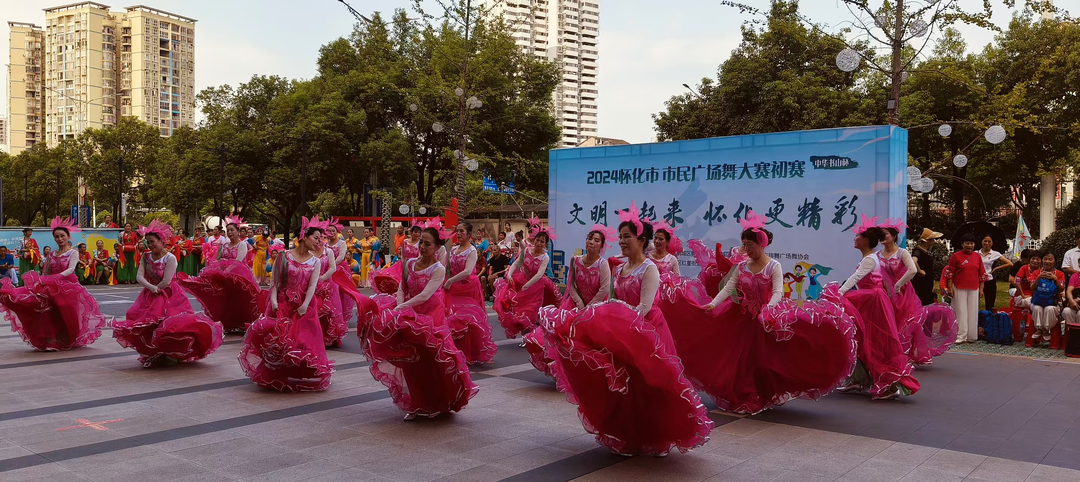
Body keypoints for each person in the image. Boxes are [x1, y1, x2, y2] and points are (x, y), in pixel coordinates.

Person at [540, 202, 712, 455]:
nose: (621, 241)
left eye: (627, 237)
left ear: (641, 240)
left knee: (650, 386)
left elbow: (644, 307)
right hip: (622, 332)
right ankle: (629, 433)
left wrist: (616, 319)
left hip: (647, 332)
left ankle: (656, 436)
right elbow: (610, 300)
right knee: (625, 386)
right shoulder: (619, 268)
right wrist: (595, 318)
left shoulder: (649, 268)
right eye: (620, 237)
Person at [654, 211, 857, 414]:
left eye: (749, 244)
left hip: (765, 319)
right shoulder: (742, 266)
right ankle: (746, 396)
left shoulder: (772, 266)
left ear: (761, 244)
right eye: (744, 244)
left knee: (766, 360)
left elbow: (778, 291)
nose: (746, 249)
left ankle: (761, 394)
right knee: (741, 360)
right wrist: (713, 304)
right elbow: (728, 288)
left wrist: (768, 309)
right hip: (741, 317)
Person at [359, 226, 479, 420]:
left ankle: (438, 400)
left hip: (431, 316)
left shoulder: (438, 269)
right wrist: (400, 308)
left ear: (438, 247)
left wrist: (402, 308)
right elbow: (401, 288)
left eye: (427, 243)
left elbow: (425, 295)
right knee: (410, 361)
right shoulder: (409, 264)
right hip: (408, 315)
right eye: (421, 242)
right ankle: (417, 403)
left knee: (432, 360)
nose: (422, 246)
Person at [113, 221, 224, 367]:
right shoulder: (146, 257)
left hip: (169, 294)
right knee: (145, 321)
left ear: (161, 241)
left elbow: (166, 280)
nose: (150, 245)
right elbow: (139, 276)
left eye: (153, 242)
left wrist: (156, 289)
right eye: (148, 242)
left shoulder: (170, 258)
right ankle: (156, 351)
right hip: (151, 292)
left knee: (170, 325)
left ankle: (171, 353)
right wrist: (151, 289)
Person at [240, 220, 333, 391]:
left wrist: (305, 305)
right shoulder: (284, 256)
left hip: (303, 307)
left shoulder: (315, 262)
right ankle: (276, 372)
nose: (318, 242)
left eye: (320, 239)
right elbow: (276, 282)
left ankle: (296, 371)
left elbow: (312, 286)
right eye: (316, 238)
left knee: (300, 341)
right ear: (304, 237)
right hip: (281, 304)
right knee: (278, 341)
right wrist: (274, 301)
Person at [836, 219, 920, 400]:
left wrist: (839, 292)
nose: (855, 238)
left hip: (872, 302)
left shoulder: (871, 259)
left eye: (858, 236)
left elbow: (855, 278)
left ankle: (885, 383)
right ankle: (860, 378)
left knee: (873, 343)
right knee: (861, 340)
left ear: (865, 240)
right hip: (869, 301)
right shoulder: (873, 257)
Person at [0, 217, 107, 351]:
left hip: (68, 287)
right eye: (56, 237)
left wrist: (56, 278)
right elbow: (46, 271)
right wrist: (42, 282)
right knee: (42, 308)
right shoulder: (51, 254)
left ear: (68, 236)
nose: (60, 239)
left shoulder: (73, 253)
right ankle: (51, 337)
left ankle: (69, 337)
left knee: (65, 309)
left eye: (62, 236)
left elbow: (71, 269)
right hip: (50, 285)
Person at [527, 226, 613, 377]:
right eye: (590, 238)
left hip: (597, 308)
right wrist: (580, 304)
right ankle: (565, 371)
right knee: (564, 337)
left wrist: (589, 307)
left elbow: (604, 289)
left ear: (601, 246)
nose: (591, 242)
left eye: (596, 240)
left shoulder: (602, 264)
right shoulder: (575, 260)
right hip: (574, 305)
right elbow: (571, 284)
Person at [877, 221, 956, 364]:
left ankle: (912, 352)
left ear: (894, 236)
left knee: (907, 322)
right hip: (886, 292)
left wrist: (899, 284)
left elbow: (912, 268)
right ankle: (893, 352)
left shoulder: (902, 252)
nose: (882, 237)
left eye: (885, 234)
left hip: (903, 293)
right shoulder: (878, 255)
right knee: (890, 322)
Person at [176, 216, 261, 333]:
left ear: (237, 231)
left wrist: (225, 271)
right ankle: (228, 324)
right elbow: (218, 260)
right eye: (228, 230)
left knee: (240, 301)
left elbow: (238, 261)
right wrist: (217, 271)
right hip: (225, 278)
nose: (230, 233)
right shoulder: (224, 246)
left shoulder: (242, 245)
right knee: (226, 301)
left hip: (239, 278)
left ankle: (241, 323)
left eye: (232, 230)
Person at [442, 222, 497, 365]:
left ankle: (472, 351)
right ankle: (455, 350)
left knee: (470, 320)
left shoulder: (472, 250)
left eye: (461, 231)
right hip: (453, 288)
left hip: (468, 287)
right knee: (453, 318)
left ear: (469, 234)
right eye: (457, 231)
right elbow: (445, 267)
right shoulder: (453, 249)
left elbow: (467, 271)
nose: (458, 233)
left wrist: (450, 281)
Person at [493, 223, 559, 340]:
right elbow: (517, 263)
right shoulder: (527, 250)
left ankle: (529, 337)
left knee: (530, 313)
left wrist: (528, 285)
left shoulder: (545, 257)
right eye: (537, 240)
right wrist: (509, 274)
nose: (539, 243)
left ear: (545, 244)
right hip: (522, 280)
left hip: (535, 287)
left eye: (542, 242)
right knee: (516, 309)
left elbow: (539, 275)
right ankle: (525, 334)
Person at [943, 234, 989, 344]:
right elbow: (950, 273)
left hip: (974, 287)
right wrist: (950, 287)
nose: (969, 245)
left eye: (971, 243)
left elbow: (982, 274)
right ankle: (960, 335)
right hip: (958, 287)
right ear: (962, 244)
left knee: (972, 311)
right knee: (960, 311)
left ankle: (971, 336)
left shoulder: (977, 257)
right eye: (967, 243)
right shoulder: (956, 256)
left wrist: (981, 289)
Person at [310, 217, 346, 348]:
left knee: (329, 311)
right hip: (310, 284)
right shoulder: (308, 251)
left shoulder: (328, 251)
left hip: (327, 283)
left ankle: (329, 336)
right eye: (316, 237)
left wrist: (322, 278)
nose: (319, 239)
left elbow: (333, 267)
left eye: (320, 237)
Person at [1030, 252, 1065, 346]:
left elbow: (1061, 289)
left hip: (1053, 302)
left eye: (1050, 259)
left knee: (1049, 309)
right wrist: (1038, 278)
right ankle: (1039, 329)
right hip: (1038, 301)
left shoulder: (1060, 273)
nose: (1047, 261)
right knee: (1037, 308)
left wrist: (1055, 279)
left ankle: (1045, 330)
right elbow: (1032, 288)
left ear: (1055, 262)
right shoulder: (1036, 272)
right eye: (1045, 259)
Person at [978, 235, 1012, 311]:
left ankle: (988, 319)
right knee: (974, 303)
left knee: (990, 304)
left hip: (990, 280)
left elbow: (1010, 263)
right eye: (985, 241)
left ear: (992, 243)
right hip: (977, 280)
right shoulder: (976, 253)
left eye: (989, 241)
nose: (987, 243)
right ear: (981, 242)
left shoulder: (995, 254)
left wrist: (996, 268)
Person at [911, 228, 942, 306]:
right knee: (922, 302)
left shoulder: (926, 251)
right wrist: (920, 271)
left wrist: (933, 282)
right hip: (921, 282)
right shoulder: (917, 251)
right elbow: (913, 261)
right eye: (932, 239)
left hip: (928, 280)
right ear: (927, 241)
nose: (934, 241)